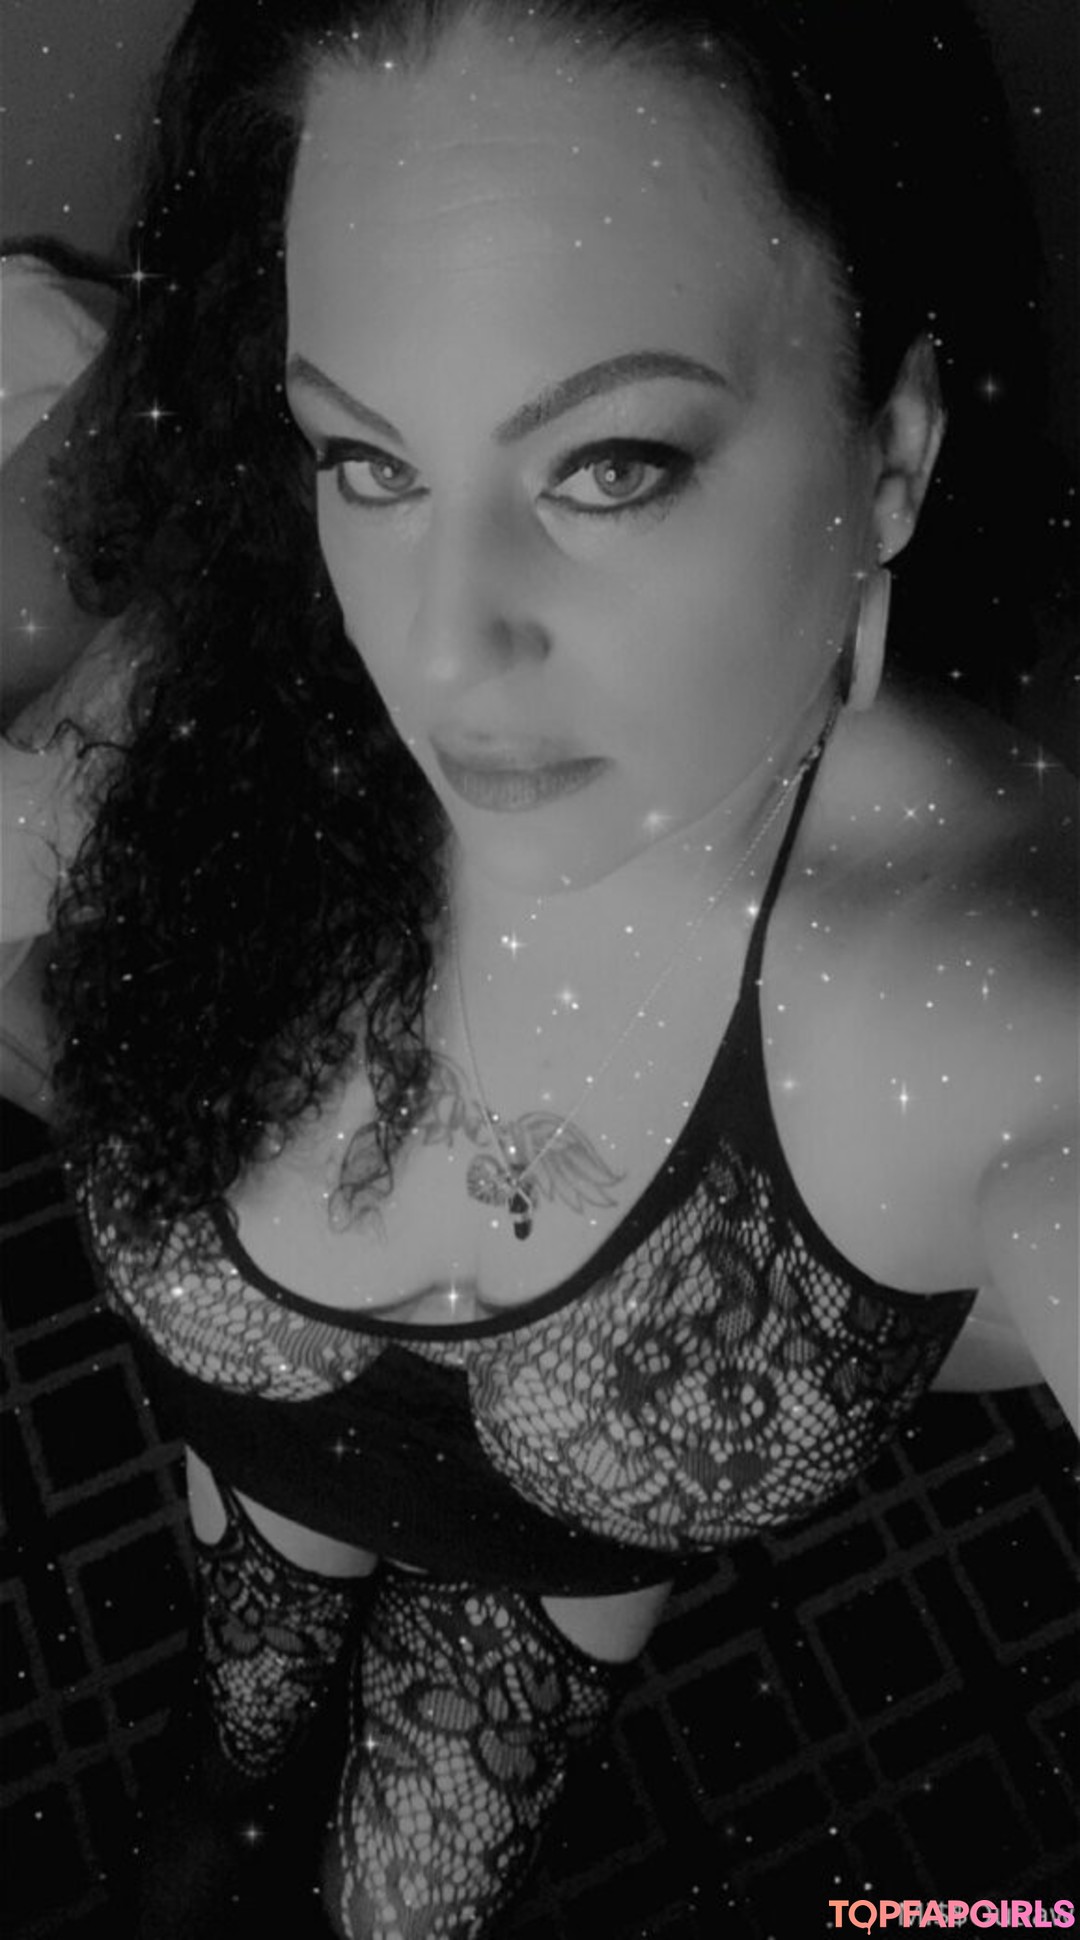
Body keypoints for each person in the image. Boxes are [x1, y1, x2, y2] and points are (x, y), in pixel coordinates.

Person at [1, 1, 1076, 1934]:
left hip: (556, 1588)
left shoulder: (993, 994)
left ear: (893, 456)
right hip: (248, 1482)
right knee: (221, 1761)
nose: (442, 651)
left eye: (613, 465)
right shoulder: (220, 698)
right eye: (368, 459)